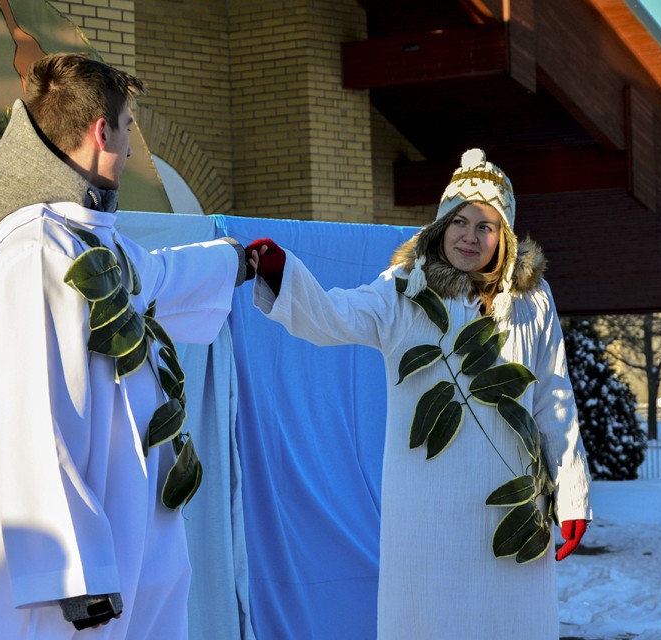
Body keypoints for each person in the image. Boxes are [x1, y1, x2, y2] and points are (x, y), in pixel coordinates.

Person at [0, 52, 249, 639]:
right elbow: (34, 410)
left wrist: (236, 262)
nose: (131, 149)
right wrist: (71, 568)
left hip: (115, 514)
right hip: (47, 559)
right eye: (128, 128)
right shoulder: (38, 250)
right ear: (101, 132)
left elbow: (156, 281)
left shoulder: (87, 241)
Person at [247, 148, 592, 639]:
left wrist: (572, 494)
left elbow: (553, 397)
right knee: (430, 617)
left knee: (511, 619)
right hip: (429, 510)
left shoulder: (531, 301)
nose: (469, 237)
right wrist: (283, 275)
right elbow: (336, 316)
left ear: (506, 237)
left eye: (485, 226)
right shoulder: (405, 291)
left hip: (513, 506)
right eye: (460, 222)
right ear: (441, 225)